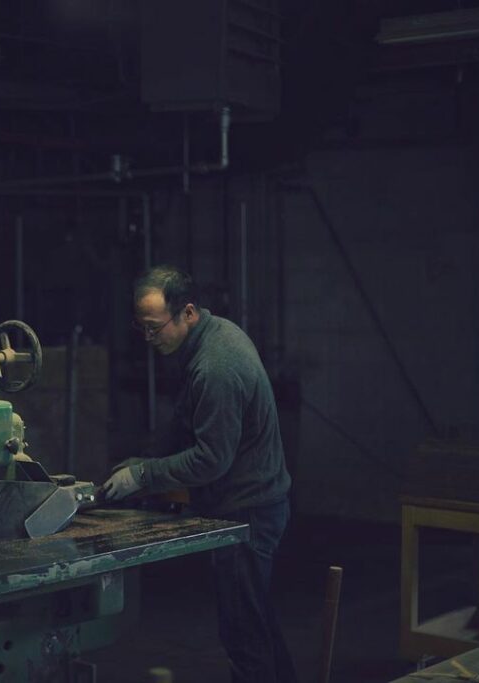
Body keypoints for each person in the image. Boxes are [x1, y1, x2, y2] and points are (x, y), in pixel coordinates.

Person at [102, 265, 296, 683]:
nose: (150, 339)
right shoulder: (210, 336)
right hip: (251, 504)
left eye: (156, 328)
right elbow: (185, 419)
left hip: (249, 512)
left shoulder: (216, 367)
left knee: (244, 634)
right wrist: (145, 459)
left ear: (187, 312)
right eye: (143, 329)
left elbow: (211, 460)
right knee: (256, 622)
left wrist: (143, 476)